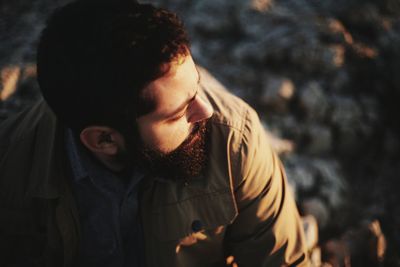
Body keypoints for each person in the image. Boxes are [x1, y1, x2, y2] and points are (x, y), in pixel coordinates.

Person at [0, 1, 309, 266]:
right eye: (178, 113)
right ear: (104, 140)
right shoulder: (12, 166)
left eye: (196, 86)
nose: (205, 111)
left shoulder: (234, 141)